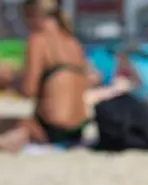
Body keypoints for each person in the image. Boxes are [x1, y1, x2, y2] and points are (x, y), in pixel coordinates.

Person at [0, 0, 92, 152]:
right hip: (77, 129)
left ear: (33, 15)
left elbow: (28, 91)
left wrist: (8, 80)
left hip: (52, 128)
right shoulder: (73, 42)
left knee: (8, 124)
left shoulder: (38, 40)